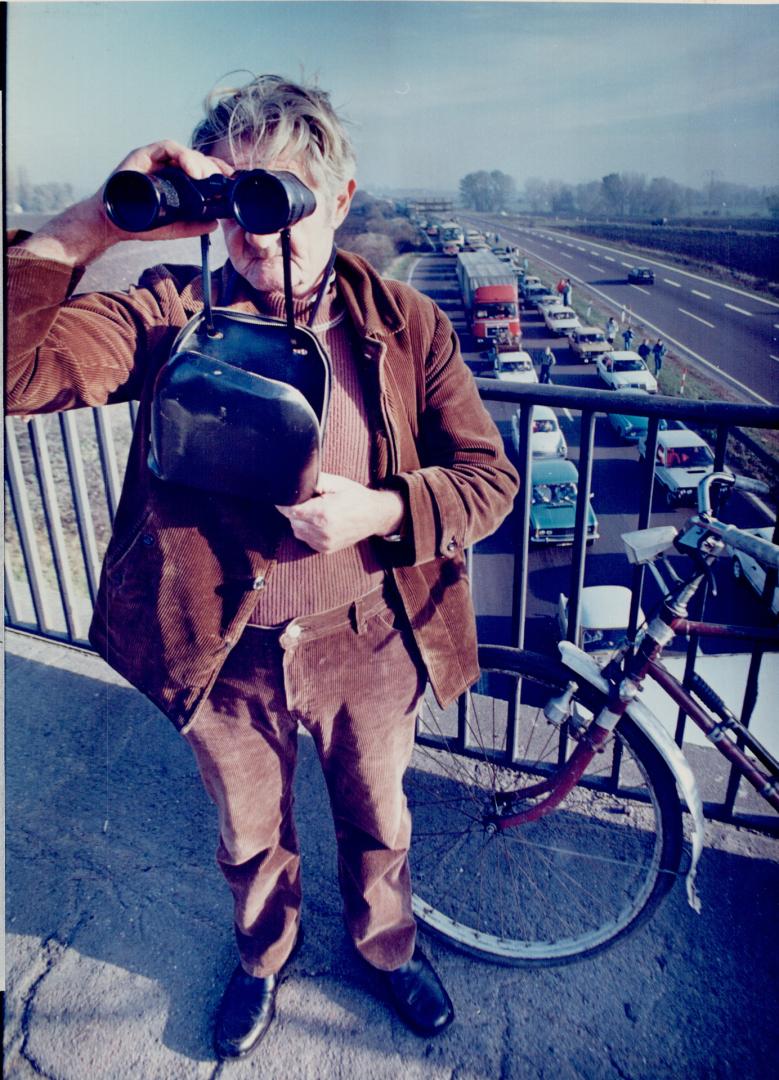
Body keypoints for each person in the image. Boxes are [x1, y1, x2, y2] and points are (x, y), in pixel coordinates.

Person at [6, 75, 518, 1060]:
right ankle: (262, 957)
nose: (253, 229)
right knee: (249, 839)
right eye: (233, 197)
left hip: (368, 642)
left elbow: (486, 484)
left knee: (379, 826)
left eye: (278, 195)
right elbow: (14, 372)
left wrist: (383, 510)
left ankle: (385, 948)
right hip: (224, 655)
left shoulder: (407, 326)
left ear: (340, 197)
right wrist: (91, 226)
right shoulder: (170, 315)